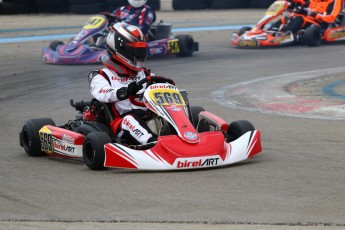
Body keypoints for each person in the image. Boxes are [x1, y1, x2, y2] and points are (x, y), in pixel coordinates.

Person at [88, 22, 160, 145]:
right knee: (130, 120)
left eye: (140, 50)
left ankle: (189, 138)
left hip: (148, 118)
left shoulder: (146, 74)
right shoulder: (101, 75)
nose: (138, 54)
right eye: (134, 49)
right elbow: (102, 93)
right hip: (121, 123)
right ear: (119, 49)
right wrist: (124, 92)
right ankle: (154, 144)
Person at [271, 0, 343, 33]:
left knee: (299, 18)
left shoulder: (336, 1)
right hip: (307, 19)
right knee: (286, 18)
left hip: (321, 24)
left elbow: (331, 18)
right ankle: (270, 32)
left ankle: (284, 34)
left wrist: (314, 14)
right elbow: (304, 3)